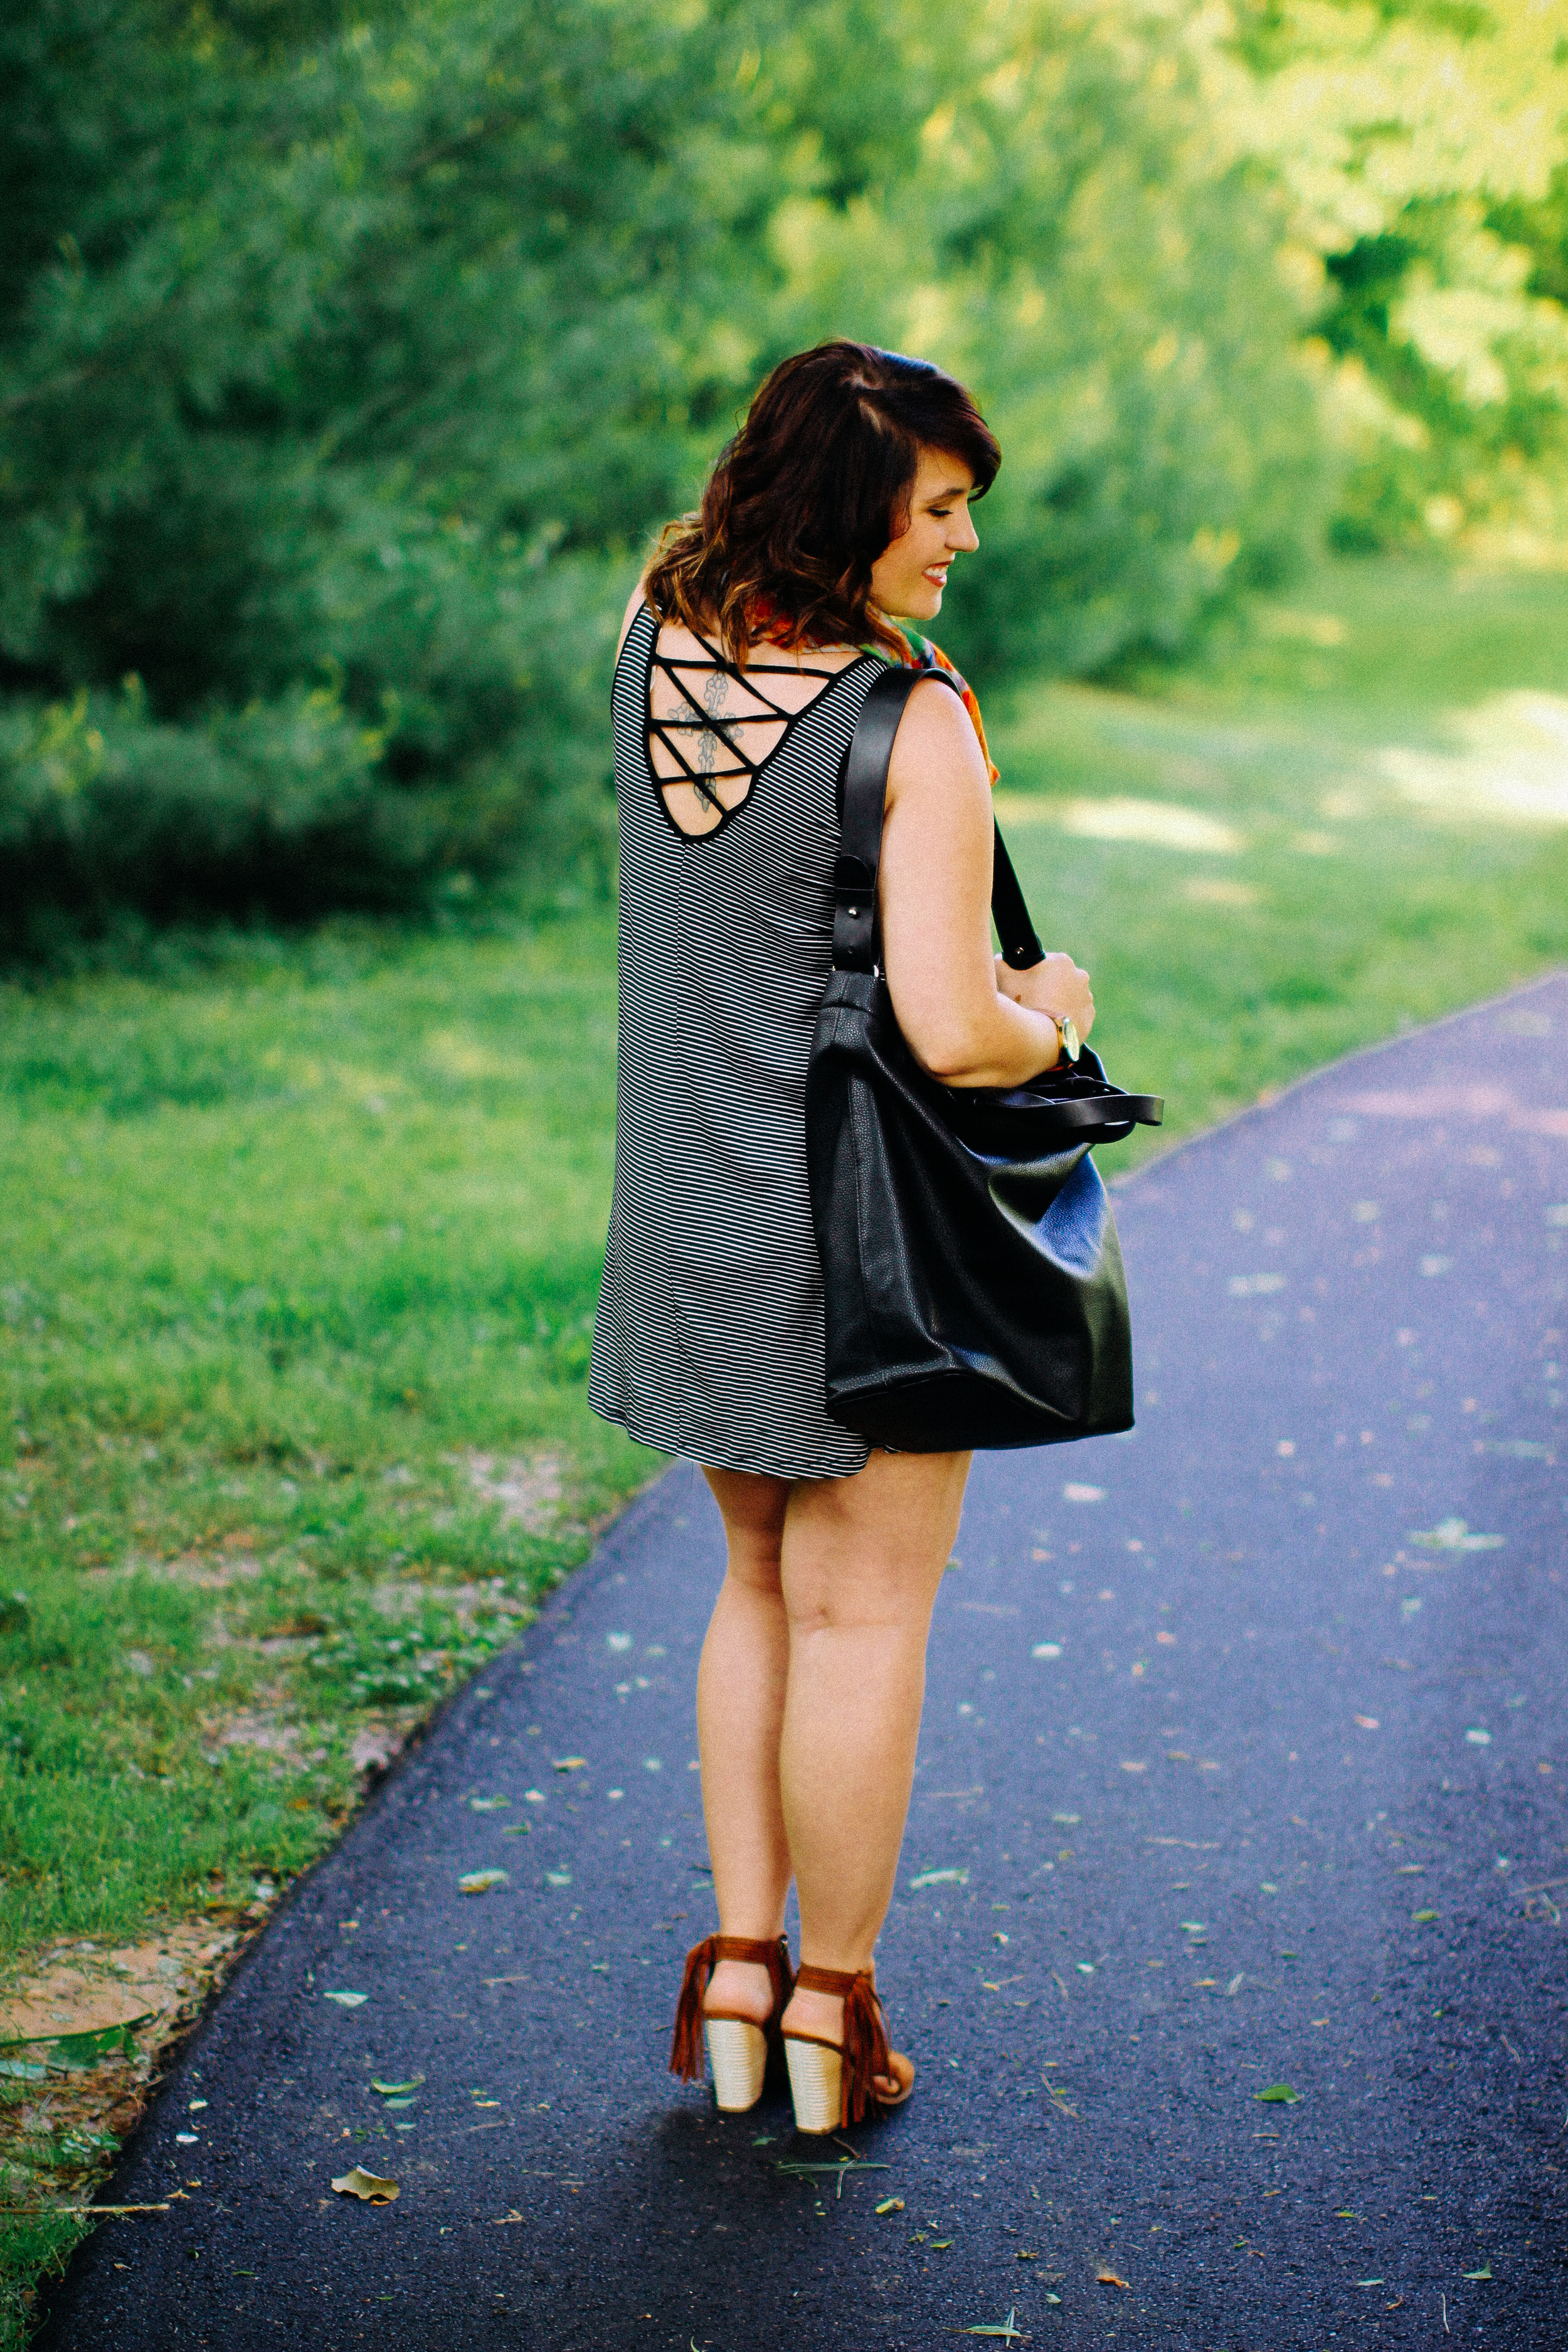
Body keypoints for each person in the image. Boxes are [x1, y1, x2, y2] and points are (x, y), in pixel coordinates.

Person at [588, 341, 1095, 2134]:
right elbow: (955, 1030)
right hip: (858, 1242)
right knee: (865, 1614)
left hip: (687, 1219)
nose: (962, 540)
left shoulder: (655, 644)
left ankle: (732, 1978)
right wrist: (1060, 1013)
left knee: (752, 1590)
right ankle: (829, 2017)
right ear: (852, 505)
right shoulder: (912, 721)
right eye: (940, 506)